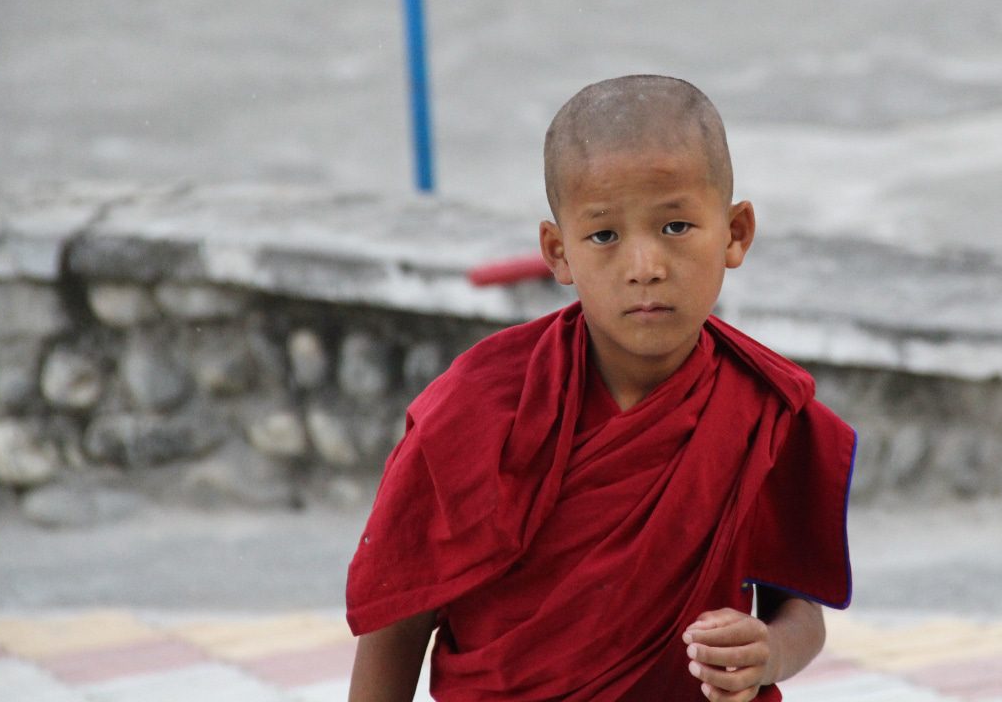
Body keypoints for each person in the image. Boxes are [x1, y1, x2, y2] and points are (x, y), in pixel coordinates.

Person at [346, 75, 857, 702]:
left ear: (735, 233)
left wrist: (767, 652)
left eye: (674, 226)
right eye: (605, 236)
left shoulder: (764, 407)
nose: (645, 266)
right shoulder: (477, 406)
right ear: (559, 252)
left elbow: (798, 609)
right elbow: (400, 614)